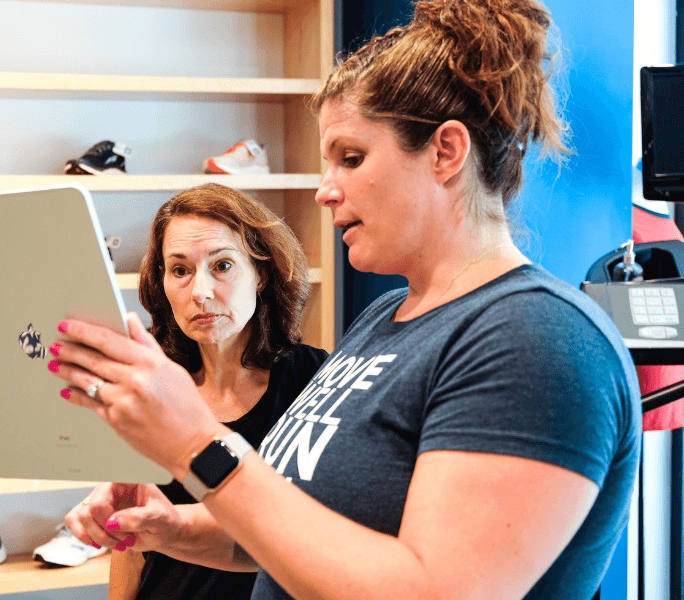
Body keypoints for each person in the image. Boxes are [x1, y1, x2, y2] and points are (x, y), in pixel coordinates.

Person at [48, 0, 641, 597]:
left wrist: (197, 446)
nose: (325, 192)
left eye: (350, 158)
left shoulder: (537, 340)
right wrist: (171, 528)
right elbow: (300, 537)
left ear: (446, 152)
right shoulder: (385, 318)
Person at [58, 182, 328, 599]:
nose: (200, 292)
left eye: (222, 266)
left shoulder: (317, 380)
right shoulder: (151, 385)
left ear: (261, 273)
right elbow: (130, 547)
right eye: (180, 270)